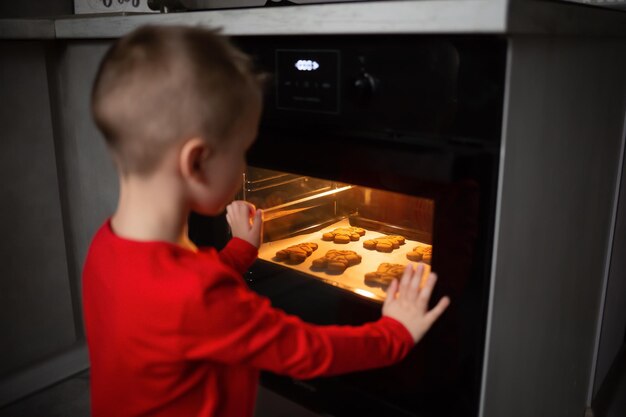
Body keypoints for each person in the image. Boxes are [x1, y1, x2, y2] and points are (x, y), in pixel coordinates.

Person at [83, 24, 450, 417]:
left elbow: (174, 300)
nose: (244, 166)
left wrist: (239, 251)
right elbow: (307, 351)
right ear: (197, 162)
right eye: (242, 151)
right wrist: (394, 334)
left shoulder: (104, 249)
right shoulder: (200, 297)